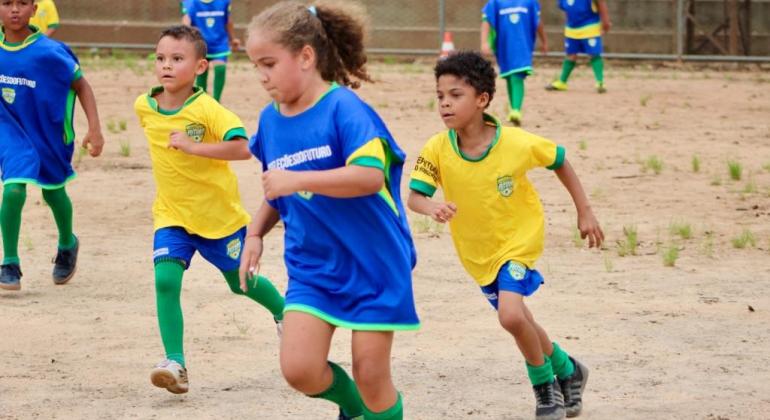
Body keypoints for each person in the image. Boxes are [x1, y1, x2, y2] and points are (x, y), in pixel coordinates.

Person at [242, 2, 419, 419]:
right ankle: (354, 409)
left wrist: (297, 179)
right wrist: (254, 235)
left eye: (269, 63)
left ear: (306, 56)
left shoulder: (345, 108)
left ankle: (373, 408)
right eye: (255, 66)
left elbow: (368, 176)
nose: (262, 76)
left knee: (372, 374)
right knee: (300, 369)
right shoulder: (270, 121)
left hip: (373, 263)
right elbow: (275, 188)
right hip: (314, 265)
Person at [408, 51, 604, 420]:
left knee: (511, 317)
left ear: (482, 100)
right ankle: (568, 369)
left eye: (455, 95)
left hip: (518, 240)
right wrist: (431, 207)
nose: (445, 103)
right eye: (439, 96)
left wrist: (584, 210)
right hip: (477, 253)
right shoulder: (437, 148)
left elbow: (559, 159)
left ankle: (545, 389)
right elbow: (415, 196)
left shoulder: (514, 142)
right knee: (522, 319)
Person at [133, 25, 285, 395]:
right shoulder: (144, 106)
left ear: (201, 67)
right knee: (165, 280)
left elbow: (242, 148)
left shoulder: (208, 109)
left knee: (241, 283)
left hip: (219, 219)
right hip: (172, 216)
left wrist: (193, 147)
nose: (166, 65)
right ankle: (175, 362)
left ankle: (286, 315)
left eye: (177, 59)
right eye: (160, 58)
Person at [0, 0, 104, 291]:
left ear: (35, 9)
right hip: (10, 133)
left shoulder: (51, 52)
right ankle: (9, 262)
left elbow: (81, 85)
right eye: (7, 3)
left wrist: (94, 129)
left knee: (53, 192)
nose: (15, 10)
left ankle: (68, 243)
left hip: (47, 133)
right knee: (14, 188)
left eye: (22, 3)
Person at [480, 0, 547, 126]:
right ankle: (513, 110)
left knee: (517, 76)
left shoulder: (530, 2)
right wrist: (484, 42)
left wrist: (544, 41)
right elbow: (486, 21)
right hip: (503, 47)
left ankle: (516, 109)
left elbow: (538, 23)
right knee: (509, 77)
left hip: (522, 46)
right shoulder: (495, 2)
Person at [546, 0, 611, 93]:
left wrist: (606, 22)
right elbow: (566, 9)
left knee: (594, 54)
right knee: (570, 55)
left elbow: (601, 3)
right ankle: (562, 82)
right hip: (571, 29)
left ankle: (600, 82)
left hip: (590, 27)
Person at [182, 0, 239, 102]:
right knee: (201, 71)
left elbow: (228, 21)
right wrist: (188, 31)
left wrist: (232, 38)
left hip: (219, 42)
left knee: (220, 68)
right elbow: (186, 21)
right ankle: (202, 99)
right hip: (200, 43)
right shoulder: (190, 2)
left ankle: (216, 101)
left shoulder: (224, 2)